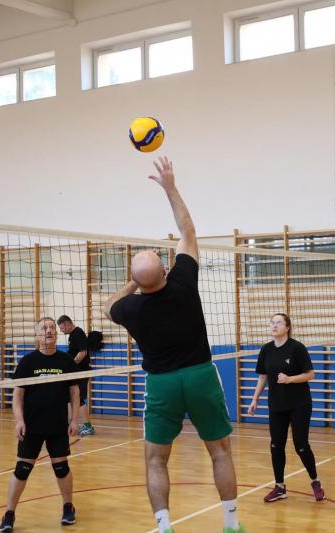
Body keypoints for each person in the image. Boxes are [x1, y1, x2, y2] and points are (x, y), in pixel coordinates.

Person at [105, 157, 246, 533]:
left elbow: (108, 306)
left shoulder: (130, 309)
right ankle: (231, 524)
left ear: (137, 281)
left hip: (161, 384)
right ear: (166, 270)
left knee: (155, 460)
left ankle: (164, 525)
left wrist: (133, 284)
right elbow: (188, 230)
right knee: (219, 451)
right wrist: (170, 187)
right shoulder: (184, 281)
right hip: (200, 376)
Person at [0, 317, 80, 533]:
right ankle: (9, 514)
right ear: (37, 335)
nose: (49, 331)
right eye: (44, 328)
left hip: (57, 425)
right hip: (32, 425)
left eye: (52, 327)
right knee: (22, 470)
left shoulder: (66, 361)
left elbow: (74, 392)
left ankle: (68, 507)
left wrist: (74, 419)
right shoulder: (28, 362)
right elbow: (18, 394)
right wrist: (19, 420)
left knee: (61, 468)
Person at [248, 313, 325, 503]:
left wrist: (290, 379)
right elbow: (263, 376)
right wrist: (254, 399)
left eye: (278, 323)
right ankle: (280, 487)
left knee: (301, 445)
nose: (274, 326)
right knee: (276, 445)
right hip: (276, 405)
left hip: (299, 404)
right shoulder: (266, 350)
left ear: (287, 327)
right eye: (272, 322)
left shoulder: (297, 348)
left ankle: (315, 481)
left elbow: (310, 374)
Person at [57, 315, 95, 436]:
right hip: (76, 372)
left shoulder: (78, 333)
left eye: (62, 328)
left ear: (67, 324)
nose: (61, 331)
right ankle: (71, 422)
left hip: (81, 372)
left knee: (80, 398)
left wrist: (71, 365)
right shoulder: (73, 335)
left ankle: (88, 426)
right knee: (71, 397)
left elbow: (83, 352)